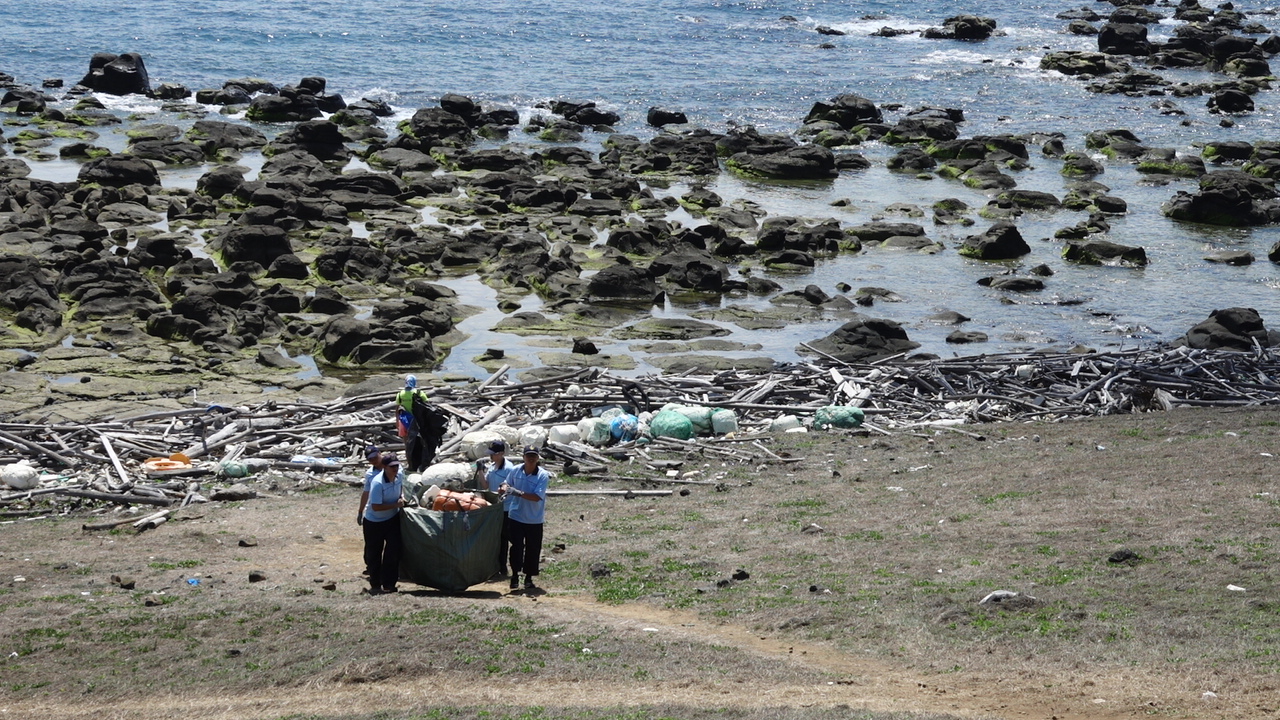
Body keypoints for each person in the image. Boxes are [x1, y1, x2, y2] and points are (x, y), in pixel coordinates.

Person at [500, 445, 549, 591]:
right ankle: (514, 575)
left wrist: (517, 492)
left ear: (538, 458)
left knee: (533, 549)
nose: (531, 458)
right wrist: (504, 487)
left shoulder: (542, 475)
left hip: (534, 519)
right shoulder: (516, 470)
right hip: (516, 516)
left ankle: (528, 578)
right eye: (528, 455)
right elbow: (506, 482)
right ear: (523, 457)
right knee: (516, 547)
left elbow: (536, 497)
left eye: (534, 455)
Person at [363, 452, 405, 595]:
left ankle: (389, 584)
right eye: (392, 467)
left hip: (392, 519)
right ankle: (375, 584)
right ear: (385, 467)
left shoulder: (399, 476)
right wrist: (396, 505)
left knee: (393, 551)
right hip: (374, 522)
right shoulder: (377, 483)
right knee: (374, 553)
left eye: (397, 466)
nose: (395, 469)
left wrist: (402, 497)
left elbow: (401, 490)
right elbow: (375, 506)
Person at [396, 374, 447, 473]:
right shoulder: (419, 393)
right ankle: (422, 462)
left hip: (404, 421)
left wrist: (397, 421)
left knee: (407, 444)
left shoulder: (400, 394)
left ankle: (410, 465)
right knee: (422, 443)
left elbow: (397, 409)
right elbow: (427, 407)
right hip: (417, 422)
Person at [483, 440, 515, 578]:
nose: (491, 456)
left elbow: (511, 487)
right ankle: (498, 566)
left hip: (506, 508)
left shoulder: (509, 468)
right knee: (496, 538)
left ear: (501, 454)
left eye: (493, 454)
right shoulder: (491, 467)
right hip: (494, 508)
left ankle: (507, 566)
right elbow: (485, 485)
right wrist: (479, 471)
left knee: (505, 538)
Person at [356, 445, 383, 527]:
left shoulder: (392, 467)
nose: (373, 460)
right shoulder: (370, 473)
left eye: (375, 457)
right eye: (370, 459)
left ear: (379, 453)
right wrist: (360, 511)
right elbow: (366, 492)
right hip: (375, 512)